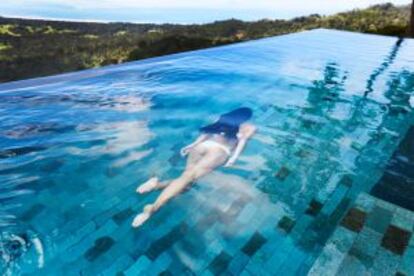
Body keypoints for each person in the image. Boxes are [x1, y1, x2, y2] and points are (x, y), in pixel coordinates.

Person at [132, 107, 256, 228]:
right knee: (187, 179)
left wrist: (192, 145)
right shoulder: (249, 127)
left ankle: (156, 185)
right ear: (247, 117)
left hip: (203, 146)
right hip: (219, 152)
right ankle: (154, 208)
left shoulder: (224, 118)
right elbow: (242, 141)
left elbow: (208, 133)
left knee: (186, 182)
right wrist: (233, 158)